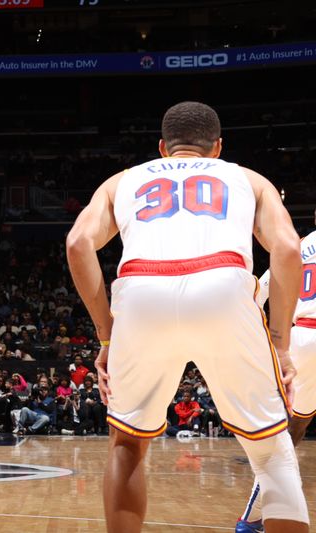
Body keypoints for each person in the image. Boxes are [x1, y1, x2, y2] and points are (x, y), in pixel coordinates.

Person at [66, 101, 307, 532]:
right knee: (271, 451)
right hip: (224, 284)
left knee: (127, 444)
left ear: (162, 148)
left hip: (141, 291)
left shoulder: (121, 181)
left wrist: (106, 336)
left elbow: (78, 244)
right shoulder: (247, 177)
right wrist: (280, 344)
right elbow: (288, 249)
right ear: (217, 147)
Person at [236, 225, 316, 532]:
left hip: (300, 338)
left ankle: (253, 516)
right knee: (292, 429)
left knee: (286, 432)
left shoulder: (300, 244)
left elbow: (260, 292)